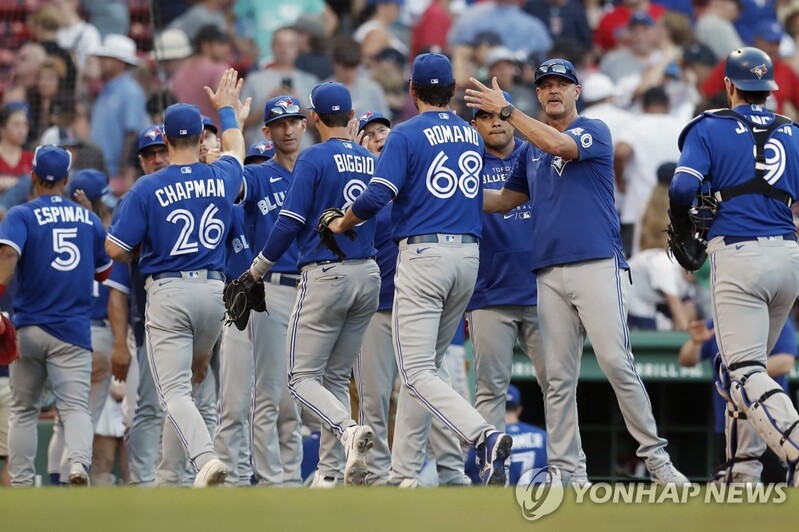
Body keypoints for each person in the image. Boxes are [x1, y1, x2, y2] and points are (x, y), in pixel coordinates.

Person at [464, 58, 688, 484]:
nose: (553, 90)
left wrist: (509, 111)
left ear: (576, 92)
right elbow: (505, 199)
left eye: (561, 84)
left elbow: (559, 146)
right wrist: (451, 193)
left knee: (616, 363)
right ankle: (568, 472)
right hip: (548, 273)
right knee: (559, 379)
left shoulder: (593, 130)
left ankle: (657, 461)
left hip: (596, 263)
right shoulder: (529, 147)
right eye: (545, 84)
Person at [327, 53, 513, 485]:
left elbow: (377, 196)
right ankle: (404, 473)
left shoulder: (407, 133)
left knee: (415, 371)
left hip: (426, 255)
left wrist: (342, 221)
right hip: (469, 256)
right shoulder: (470, 135)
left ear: (412, 92)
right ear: (451, 91)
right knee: (423, 370)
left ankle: (483, 435)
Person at [105, 69, 250, 487]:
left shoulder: (148, 187)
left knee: (174, 394)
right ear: (200, 140)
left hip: (170, 292)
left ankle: (205, 458)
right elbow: (236, 145)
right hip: (213, 293)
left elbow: (115, 249)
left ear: (166, 142)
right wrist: (227, 112)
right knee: (190, 386)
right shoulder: (222, 174)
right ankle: (171, 478)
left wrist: (145, 236)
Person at [669, 46, 799, 486]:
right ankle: (743, 473)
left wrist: (682, 229)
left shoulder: (709, 126)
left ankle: (796, 447)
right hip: (788, 255)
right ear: (768, 89)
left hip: (740, 255)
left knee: (742, 371)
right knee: (748, 366)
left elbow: (682, 187)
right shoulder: (793, 132)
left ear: (729, 86)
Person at [247, 82, 380, 486]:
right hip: (369, 273)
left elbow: (289, 221)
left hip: (327, 273)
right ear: (351, 117)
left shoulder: (313, 157)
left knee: (300, 378)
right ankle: (328, 476)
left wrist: (256, 270)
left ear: (315, 119)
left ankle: (347, 429)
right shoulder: (368, 158)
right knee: (337, 378)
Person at [465, 91, 589, 483]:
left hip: (542, 289)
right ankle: (491, 470)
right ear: (475, 125)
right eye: (484, 117)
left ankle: (573, 471)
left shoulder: (535, 151)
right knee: (490, 388)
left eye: (499, 114)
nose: (495, 122)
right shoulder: (466, 165)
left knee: (558, 385)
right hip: (489, 293)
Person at [347, 110, 470, 488]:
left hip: (419, 299)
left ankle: (452, 472)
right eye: (367, 135)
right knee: (375, 398)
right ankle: (382, 476)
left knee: (431, 385)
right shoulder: (354, 188)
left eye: (382, 129)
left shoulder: (413, 175)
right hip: (376, 304)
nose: (377, 137)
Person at [0, 145, 113, 486]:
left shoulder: (20, 214)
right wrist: (87, 224)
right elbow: (103, 274)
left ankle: (20, 482)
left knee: (23, 410)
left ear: (33, 176)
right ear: (66, 179)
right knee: (76, 407)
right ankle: (78, 466)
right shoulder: (89, 218)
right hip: (72, 331)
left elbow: (7, 255)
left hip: (30, 327)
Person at [228, 95, 307, 486]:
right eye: (280, 123)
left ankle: (292, 479)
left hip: (313, 289)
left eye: (294, 122)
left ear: (305, 126)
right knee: (271, 394)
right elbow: (233, 182)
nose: (288, 130)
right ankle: (272, 480)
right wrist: (233, 126)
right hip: (273, 290)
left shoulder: (316, 171)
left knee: (296, 398)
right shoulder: (260, 176)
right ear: (268, 131)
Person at [106, 125, 170, 486]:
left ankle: (183, 480)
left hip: (194, 317)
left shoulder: (193, 190)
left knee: (198, 404)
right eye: (150, 155)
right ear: (142, 162)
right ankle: (143, 484)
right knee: (148, 406)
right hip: (146, 322)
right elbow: (117, 286)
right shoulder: (132, 201)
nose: (158, 159)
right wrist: (119, 344)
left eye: (162, 150)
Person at [47, 168, 116, 484]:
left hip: (60, 331)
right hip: (95, 334)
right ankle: (71, 479)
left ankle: (54, 486)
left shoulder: (52, 236)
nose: (110, 206)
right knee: (81, 418)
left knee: (63, 420)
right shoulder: (107, 238)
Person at [678, 318, 797, 482]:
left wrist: (740, 372)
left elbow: (785, 362)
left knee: (776, 492)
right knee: (735, 494)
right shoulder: (719, 321)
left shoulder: (770, 317)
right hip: (728, 426)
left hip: (769, 424)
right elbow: (686, 359)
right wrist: (696, 342)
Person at [465, 385, 548, 485]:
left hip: (498, 497)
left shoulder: (489, 438)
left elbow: (470, 472)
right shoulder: (542, 437)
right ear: (519, 409)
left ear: (496, 408)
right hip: (532, 497)